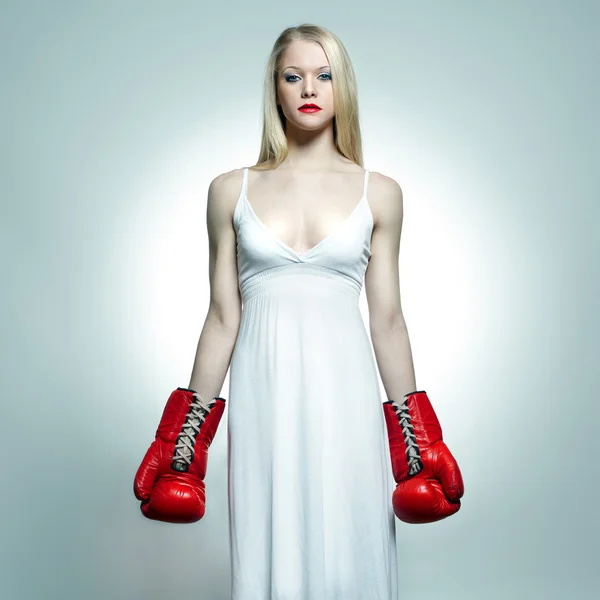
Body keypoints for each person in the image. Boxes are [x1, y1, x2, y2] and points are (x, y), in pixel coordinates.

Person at [133, 23, 464, 600]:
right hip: (264, 395)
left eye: (324, 74)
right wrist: (184, 438)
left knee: (350, 552)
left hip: (347, 398)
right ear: (276, 89)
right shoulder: (227, 190)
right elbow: (221, 318)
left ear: (343, 88)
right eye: (294, 76)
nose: (309, 87)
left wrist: (418, 437)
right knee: (270, 551)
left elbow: (387, 319)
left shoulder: (380, 192)